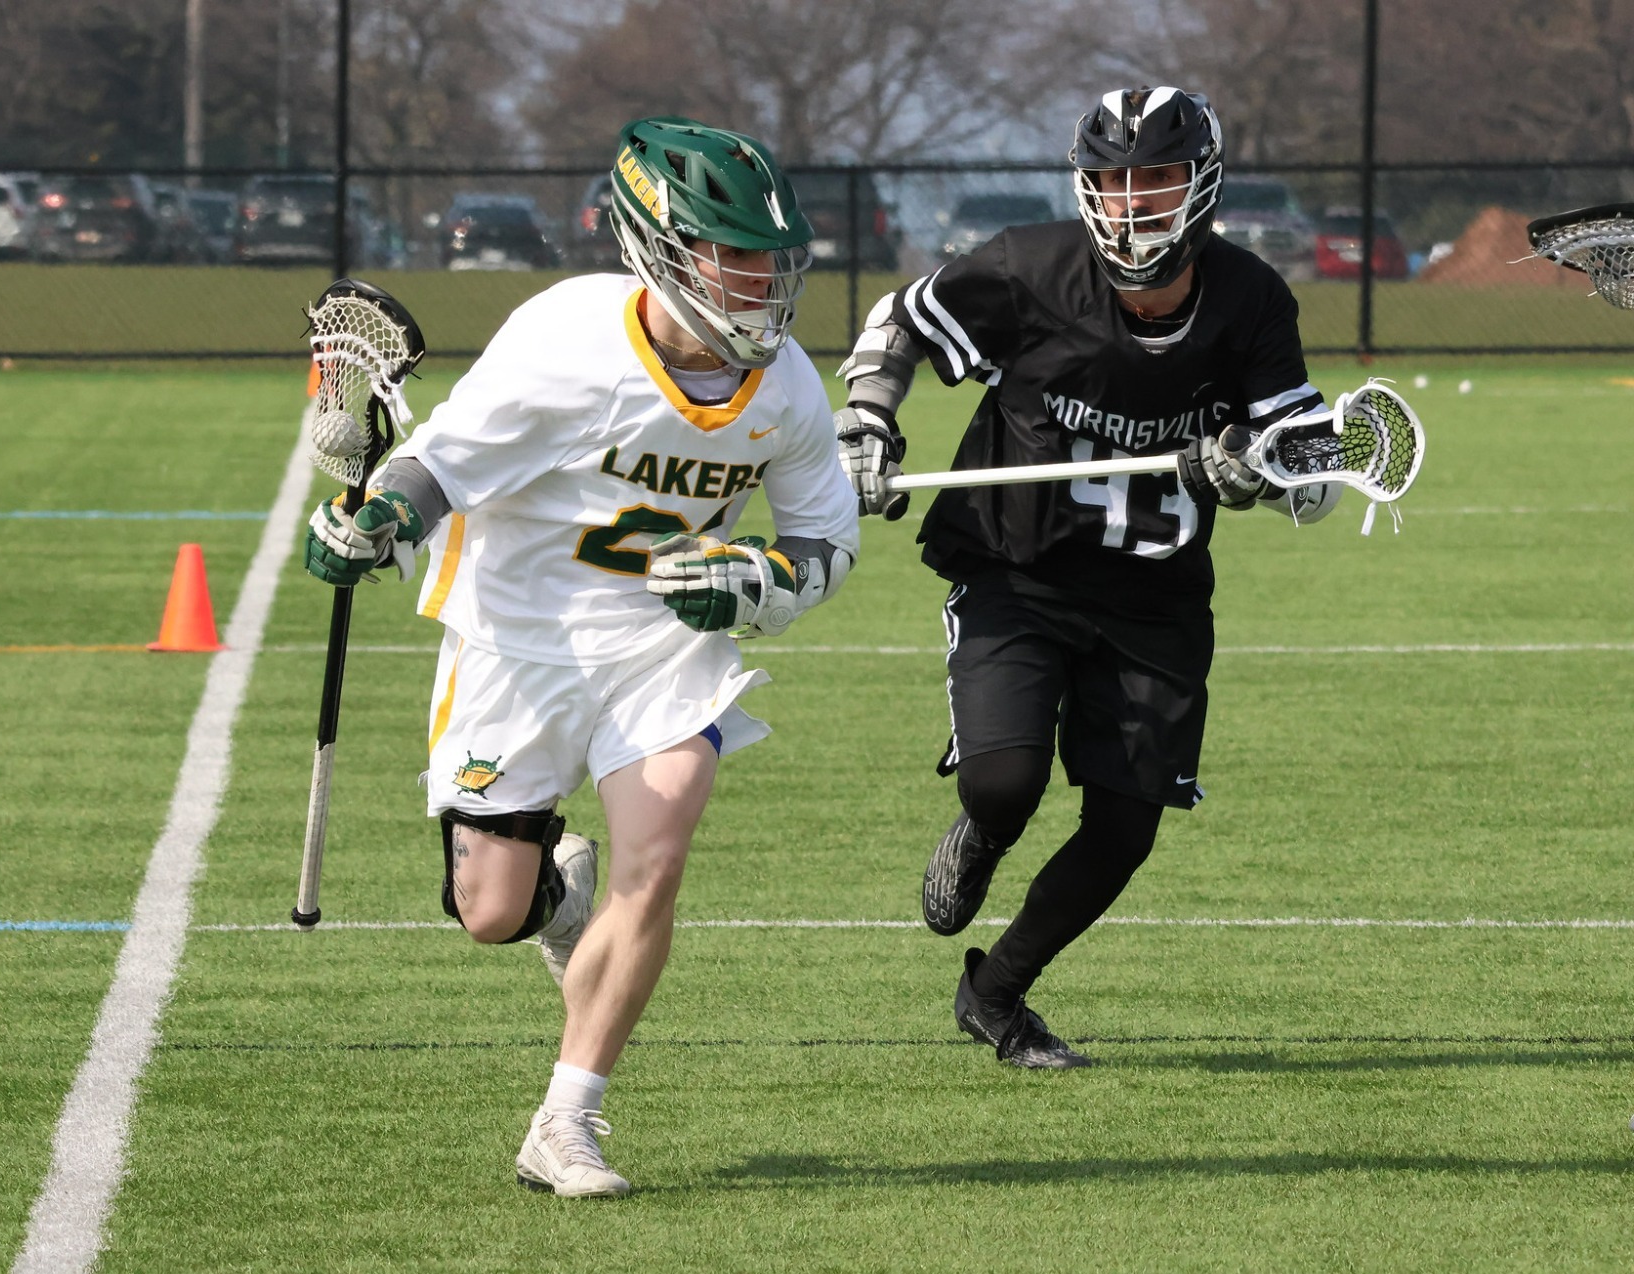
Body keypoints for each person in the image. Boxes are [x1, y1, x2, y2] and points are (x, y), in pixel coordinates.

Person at [303, 116, 859, 1194]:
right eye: (730, 256)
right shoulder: (568, 342)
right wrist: (376, 522)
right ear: (659, 248)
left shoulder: (785, 386)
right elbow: (440, 460)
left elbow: (825, 543)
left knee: (661, 840)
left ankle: (566, 1120)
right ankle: (555, 905)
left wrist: (764, 580)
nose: (758, 285)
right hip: (519, 632)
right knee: (489, 913)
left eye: (769, 261)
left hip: (658, 642)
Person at [833, 86, 1341, 1068]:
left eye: (1152, 179)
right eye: (1110, 181)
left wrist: (1253, 467)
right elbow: (895, 324)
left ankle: (996, 993)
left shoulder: (1246, 299)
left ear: (1200, 185)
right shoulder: (1029, 269)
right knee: (1004, 781)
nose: (1129, 203)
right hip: (1015, 568)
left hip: (1151, 597)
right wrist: (867, 420)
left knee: (1122, 828)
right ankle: (979, 834)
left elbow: (1310, 471)